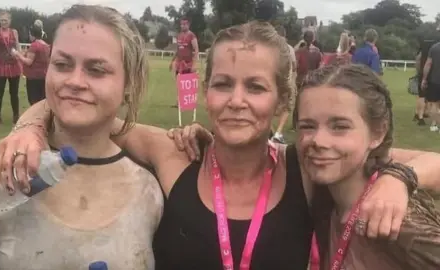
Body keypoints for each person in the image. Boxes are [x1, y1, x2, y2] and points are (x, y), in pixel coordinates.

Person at [0, 21, 440, 270]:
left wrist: (400, 177)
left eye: (256, 87)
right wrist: (29, 128)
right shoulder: (174, 156)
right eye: (223, 84)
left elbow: (423, 160)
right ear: (206, 92)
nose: (236, 101)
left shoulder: (305, 162)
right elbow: (89, 113)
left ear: (282, 100)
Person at [168, 65, 440, 269]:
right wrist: (211, 140)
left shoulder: (396, 220)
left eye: (339, 127)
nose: (319, 141)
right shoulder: (322, 196)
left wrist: (401, 177)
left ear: (378, 133)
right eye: (308, 126)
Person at [0, 5, 162, 269]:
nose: (75, 81)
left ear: (129, 84)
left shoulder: (153, 189)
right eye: (62, 64)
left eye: (96, 69)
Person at [0, 11, 22, 124]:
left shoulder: (15, 32)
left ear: (10, 21)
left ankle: (16, 116)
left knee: (14, 93)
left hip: (14, 66)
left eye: (5, 20)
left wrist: (21, 63)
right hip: (0, 67)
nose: (3, 22)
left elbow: (18, 47)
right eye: (2, 20)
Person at [12, 24, 50, 105]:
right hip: (43, 77)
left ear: (33, 35)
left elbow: (28, 62)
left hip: (34, 78)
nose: (29, 36)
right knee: (42, 101)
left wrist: (17, 54)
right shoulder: (46, 45)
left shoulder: (34, 45)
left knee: (34, 101)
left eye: (30, 34)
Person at [272, 25, 297, 144]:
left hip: (273, 81)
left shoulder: (271, 47)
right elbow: (294, 65)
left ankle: (269, 130)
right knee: (287, 107)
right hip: (287, 81)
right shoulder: (289, 48)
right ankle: (278, 132)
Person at [169, 18, 199, 108]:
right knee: (179, 83)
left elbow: (196, 49)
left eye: (184, 24)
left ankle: (187, 103)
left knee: (187, 84)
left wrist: (194, 64)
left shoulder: (192, 36)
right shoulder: (179, 35)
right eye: (181, 24)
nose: (182, 26)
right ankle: (178, 102)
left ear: (188, 25)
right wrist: (172, 61)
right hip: (179, 64)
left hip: (188, 63)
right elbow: (178, 50)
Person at [421, 40, 440, 133]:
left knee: (434, 104)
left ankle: (434, 124)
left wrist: (424, 79)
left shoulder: (434, 48)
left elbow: (428, 64)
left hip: (435, 80)